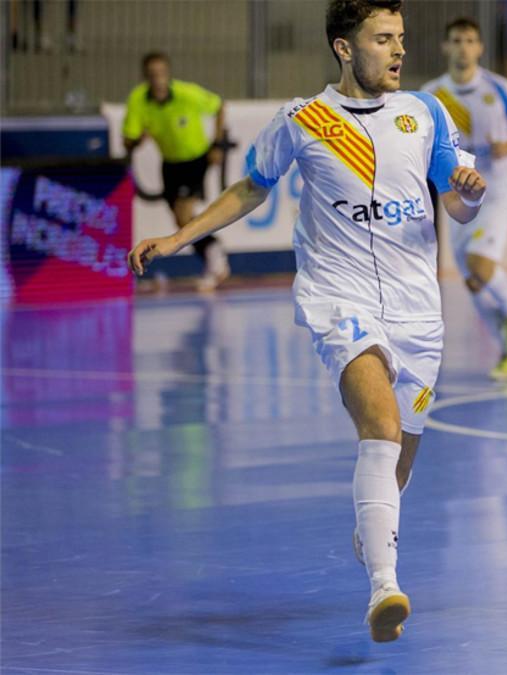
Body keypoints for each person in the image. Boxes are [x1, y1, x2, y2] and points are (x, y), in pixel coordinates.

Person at [127, 0, 487, 642]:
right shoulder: (304, 118)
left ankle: (372, 530)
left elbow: (455, 208)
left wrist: (466, 189)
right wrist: (179, 238)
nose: (399, 50)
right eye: (383, 39)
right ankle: (385, 587)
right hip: (340, 299)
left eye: (401, 37)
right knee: (378, 424)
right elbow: (252, 187)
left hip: (418, 313)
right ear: (344, 48)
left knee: (399, 465)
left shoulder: (424, 113)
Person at [421, 16, 507, 380]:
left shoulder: (501, 88)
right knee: (473, 280)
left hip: (497, 191)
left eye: (470, 40)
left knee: (481, 264)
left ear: (480, 48)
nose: (463, 47)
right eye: (456, 40)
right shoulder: (431, 95)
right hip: (456, 195)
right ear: (446, 47)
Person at [122, 52, 230, 292]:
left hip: (195, 159)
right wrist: (138, 138)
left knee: (184, 215)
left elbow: (219, 106)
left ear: (167, 74)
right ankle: (213, 252)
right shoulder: (138, 100)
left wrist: (217, 144)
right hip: (169, 163)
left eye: (161, 74)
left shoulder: (186, 93)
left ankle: (216, 259)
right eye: (152, 75)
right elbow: (128, 140)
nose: (158, 80)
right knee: (179, 218)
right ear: (146, 77)